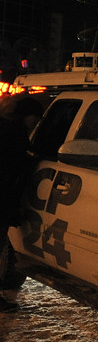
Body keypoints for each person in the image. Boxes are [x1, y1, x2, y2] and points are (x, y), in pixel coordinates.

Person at [0, 94, 43, 312]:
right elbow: (18, 162)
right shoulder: (14, 134)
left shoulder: (8, 129)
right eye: (35, 117)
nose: (36, 122)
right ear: (26, 115)